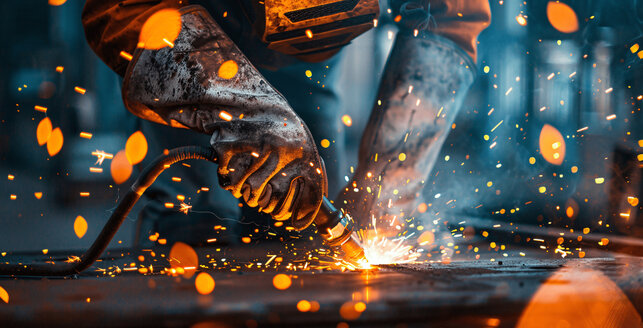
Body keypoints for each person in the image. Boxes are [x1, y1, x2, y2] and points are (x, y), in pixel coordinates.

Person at [81, 0, 490, 245]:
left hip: (310, 78)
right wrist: (242, 107)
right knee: (195, 220)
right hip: (193, 56)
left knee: (314, 225)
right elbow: (117, 12)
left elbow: (450, 20)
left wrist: (387, 186)